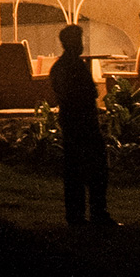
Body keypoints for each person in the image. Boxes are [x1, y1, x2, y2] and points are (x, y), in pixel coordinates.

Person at [51, 23, 117, 226]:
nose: (81, 45)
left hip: (72, 123)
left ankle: (77, 215)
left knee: (74, 170)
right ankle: (97, 213)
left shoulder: (60, 67)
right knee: (96, 169)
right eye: (78, 40)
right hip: (82, 123)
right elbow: (87, 93)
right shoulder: (74, 66)